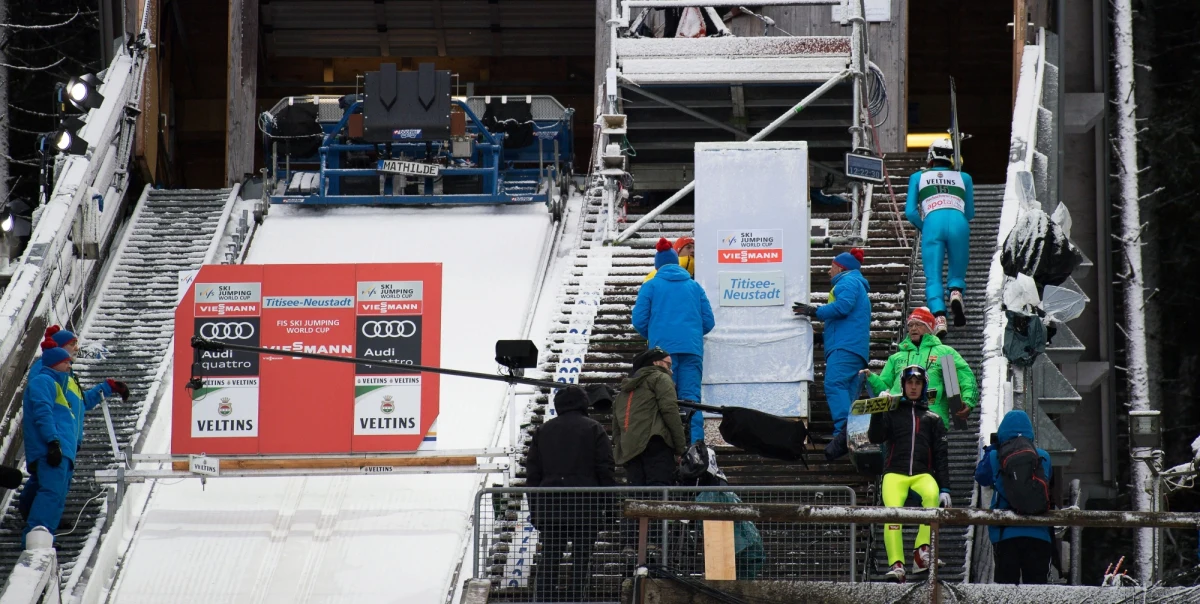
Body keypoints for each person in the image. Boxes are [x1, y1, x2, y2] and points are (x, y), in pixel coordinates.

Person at [20, 345, 129, 546]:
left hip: (66, 447)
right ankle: (35, 536)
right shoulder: (45, 380)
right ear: (55, 363)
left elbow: (81, 403)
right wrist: (52, 441)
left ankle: (43, 535)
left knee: (56, 494)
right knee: (51, 492)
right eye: (66, 362)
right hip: (54, 447)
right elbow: (43, 413)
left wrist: (106, 387)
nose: (70, 365)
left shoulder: (62, 384)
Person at [526, 386, 616, 601]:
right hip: (586, 508)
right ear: (584, 403)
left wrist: (535, 511)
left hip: (550, 508)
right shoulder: (594, 428)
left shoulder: (543, 431)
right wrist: (610, 508)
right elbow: (605, 469)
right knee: (581, 562)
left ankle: (544, 600)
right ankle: (577, 599)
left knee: (549, 559)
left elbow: (533, 475)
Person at [867, 365, 951, 584]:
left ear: (924, 386)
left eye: (918, 383)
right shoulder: (892, 414)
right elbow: (875, 437)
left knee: (931, 495)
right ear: (903, 386)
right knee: (892, 511)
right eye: (910, 383)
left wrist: (945, 488)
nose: (913, 387)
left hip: (922, 473)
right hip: (895, 472)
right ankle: (896, 564)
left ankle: (922, 552)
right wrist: (878, 411)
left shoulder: (933, 418)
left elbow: (941, 456)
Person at [632, 238, 715, 445]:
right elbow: (709, 321)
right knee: (692, 400)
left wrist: (655, 336)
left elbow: (639, 320)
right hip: (692, 350)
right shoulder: (694, 286)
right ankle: (696, 446)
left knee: (662, 397)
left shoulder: (650, 286)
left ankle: (665, 446)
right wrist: (692, 335)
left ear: (657, 265)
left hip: (662, 353)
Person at [793, 248, 871, 460]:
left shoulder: (847, 281)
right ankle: (850, 436)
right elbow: (847, 320)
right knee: (848, 394)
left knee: (834, 384)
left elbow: (842, 307)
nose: (829, 271)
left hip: (844, 347)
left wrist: (814, 311)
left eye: (831, 267)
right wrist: (823, 337)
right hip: (855, 348)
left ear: (841, 268)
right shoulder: (857, 284)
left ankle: (843, 434)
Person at [863, 307, 978, 429]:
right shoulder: (896, 357)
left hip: (932, 420)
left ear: (929, 328)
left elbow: (965, 376)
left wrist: (968, 401)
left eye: (918, 324)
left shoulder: (944, 352)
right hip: (898, 420)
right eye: (910, 325)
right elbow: (884, 390)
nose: (913, 328)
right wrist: (871, 378)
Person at [974, 410, 1054, 585]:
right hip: (1039, 534)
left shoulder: (995, 457)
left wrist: (992, 450)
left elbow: (981, 477)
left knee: (1007, 590)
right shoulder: (1043, 457)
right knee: (1037, 591)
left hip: (1006, 534)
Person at [906, 138, 975, 335]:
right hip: (958, 222)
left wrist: (925, 227)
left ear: (931, 156)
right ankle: (955, 291)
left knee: (933, 275)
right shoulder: (964, 177)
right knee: (957, 270)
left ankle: (939, 316)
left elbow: (910, 212)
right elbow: (970, 213)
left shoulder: (918, 177)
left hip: (932, 222)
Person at [613, 348, 687, 486]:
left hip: (630, 448)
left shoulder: (624, 390)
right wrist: (680, 447)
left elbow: (616, 425)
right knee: (659, 491)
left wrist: (622, 445)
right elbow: (670, 411)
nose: (671, 370)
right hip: (656, 443)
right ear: (656, 363)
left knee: (637, 494)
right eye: (668, 364)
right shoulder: (660, 378)